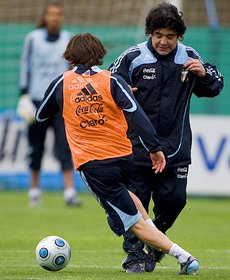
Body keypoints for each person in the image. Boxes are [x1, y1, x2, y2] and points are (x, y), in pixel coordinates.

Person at [35, 32, 200, 275]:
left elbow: (40, 115)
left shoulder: (62, 82)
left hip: (95, 165)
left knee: (128, 221)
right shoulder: (113, 80)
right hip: (125, 159)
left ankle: (183, 258)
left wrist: (76, 110)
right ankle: (143, 246)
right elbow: (138, 117)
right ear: (99, 55)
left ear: (70, 58)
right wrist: (155, 149)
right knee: (137, 211)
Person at [109, 1, 223, 273]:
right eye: (158, 35)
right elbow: (109, 87)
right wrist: (122, 94)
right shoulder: (132, 57)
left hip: (175, 149)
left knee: (175, 201)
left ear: (179, 36)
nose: (163, 41)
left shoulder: (189, 56)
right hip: (136, 148)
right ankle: (135, 256)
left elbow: (215, 86)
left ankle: (155, 244)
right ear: (150, 32)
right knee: (135, 203)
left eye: (170, 37)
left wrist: (205, 75)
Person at [17, 1, 82, 207]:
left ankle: (69, 192)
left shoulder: (67, 38)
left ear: (62, 17)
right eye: (51, 14)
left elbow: (72, 68)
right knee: (36, 147)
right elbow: (25, 65)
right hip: (36, 100)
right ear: (45, 17)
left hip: (60, 100)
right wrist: (23, 95)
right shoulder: (33, 39)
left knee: (65, 146)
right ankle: (34, 191)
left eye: (58, 14)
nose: (55, 18)